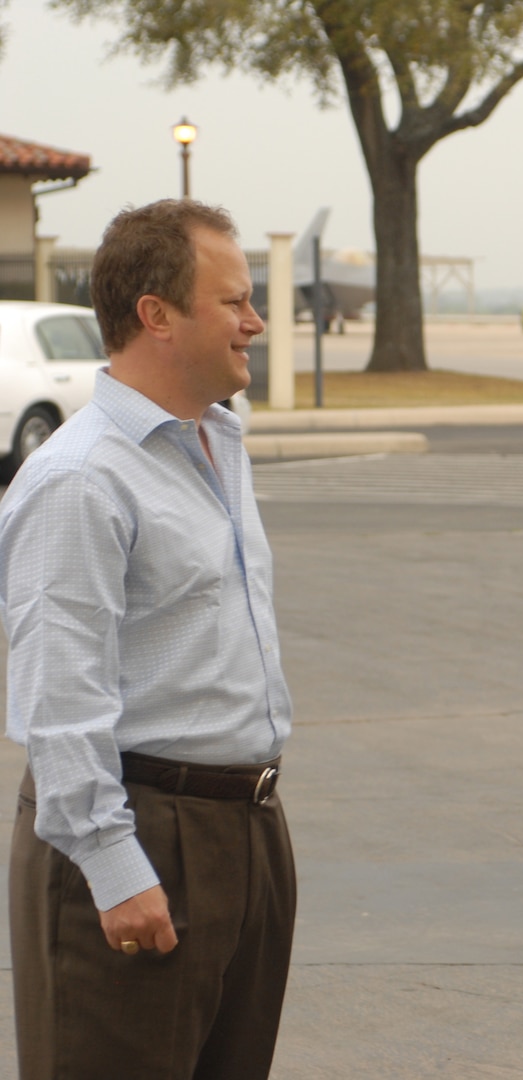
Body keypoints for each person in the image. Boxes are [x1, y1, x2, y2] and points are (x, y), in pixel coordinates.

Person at [0, 200, 296, 1080]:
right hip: (137, 833)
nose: (256, 323)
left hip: (243, 830)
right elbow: (57, 694)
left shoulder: (217, 442)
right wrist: (111, 863)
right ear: (156, 315)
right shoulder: (82, 479)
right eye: (234, 302)